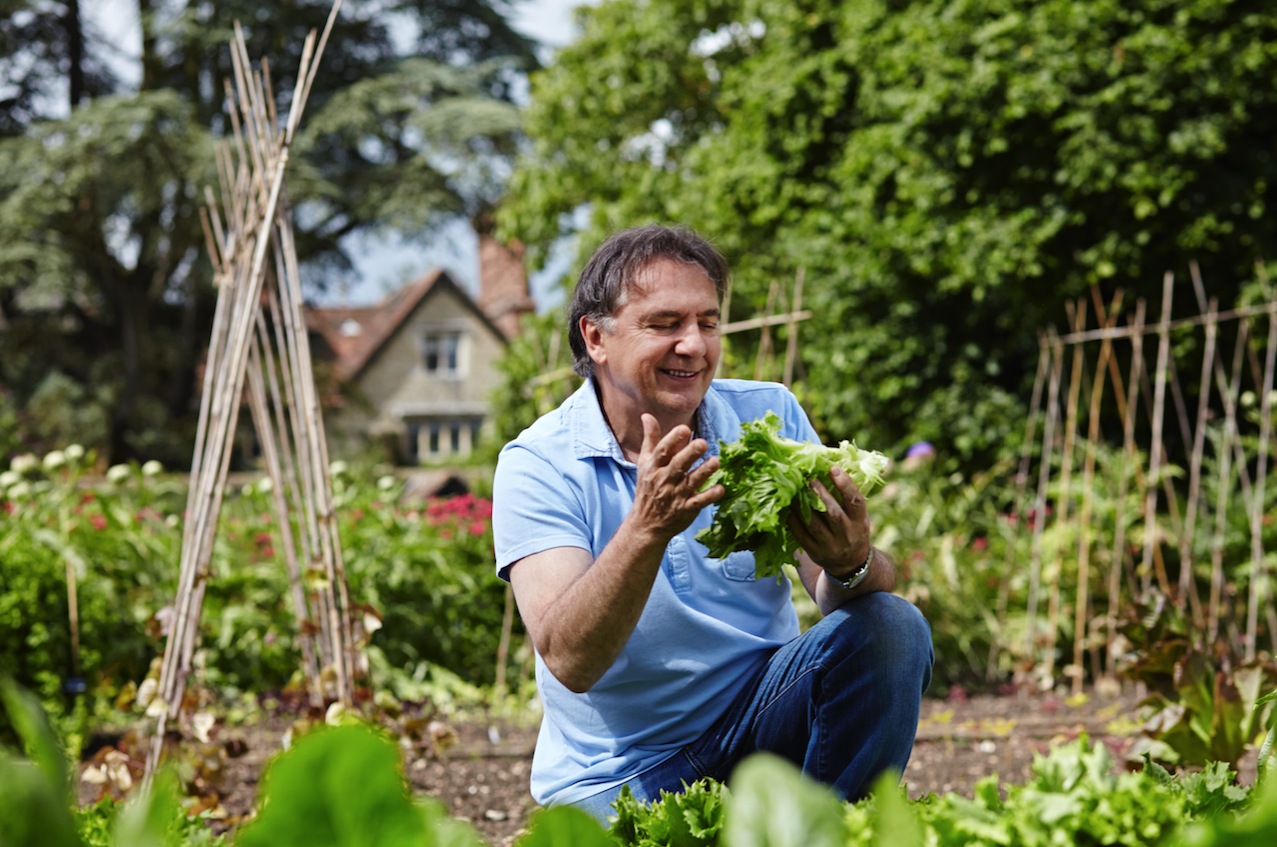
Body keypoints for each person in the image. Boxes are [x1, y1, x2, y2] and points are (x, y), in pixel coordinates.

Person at [492, 224, 933, 821]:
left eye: (707, 321)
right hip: (621, 773)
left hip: (763, 726)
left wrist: (851, 563)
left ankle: (833, 833)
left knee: (892, 625)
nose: (694, 345)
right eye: (665, 323)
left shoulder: (767, 414)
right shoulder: (539, 464)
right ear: (595, 337)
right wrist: (646, 530)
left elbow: (837, 596)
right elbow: (570, 660)